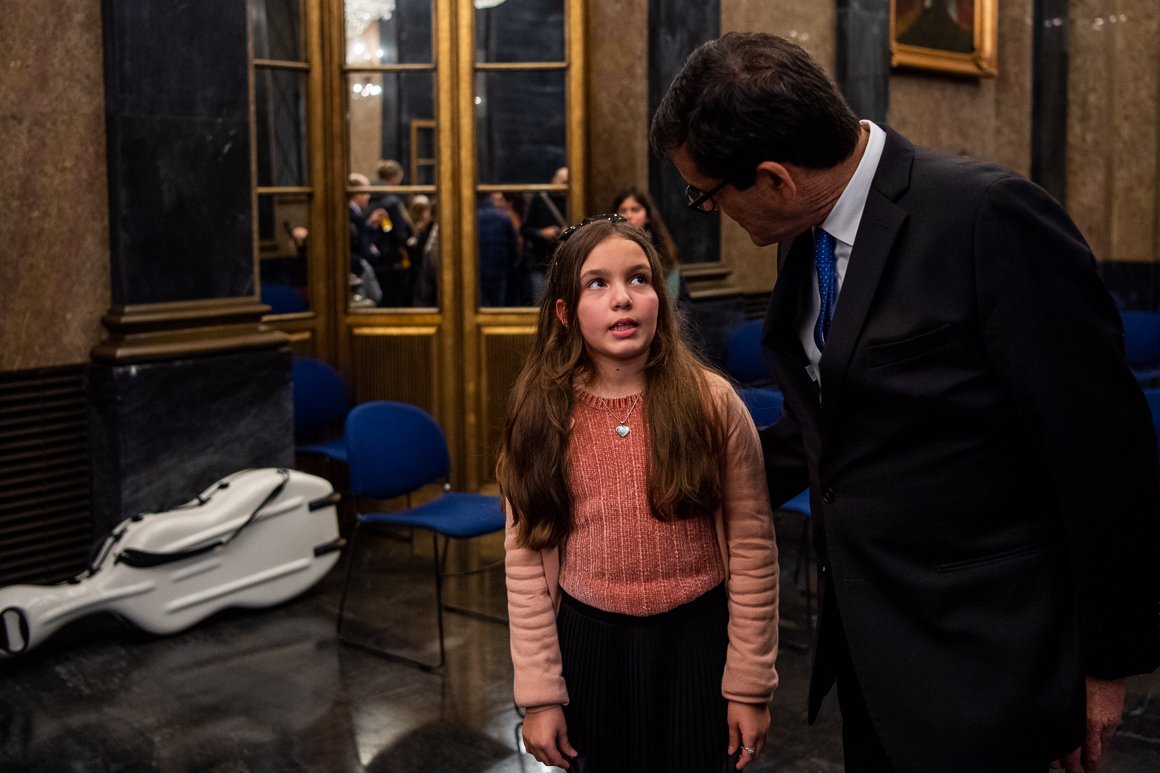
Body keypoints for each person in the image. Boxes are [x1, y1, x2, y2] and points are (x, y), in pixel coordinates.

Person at [650, 31, 1160, 773]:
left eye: (707, 195)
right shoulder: (803, 233)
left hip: (993, 659)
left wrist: (1107, 663)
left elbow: (1103, 454)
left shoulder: (989, 217)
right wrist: (676, 483)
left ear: (774, 178)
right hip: (874, 651)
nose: (710, 210)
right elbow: (832, 428)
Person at [498, 215, 779, 773]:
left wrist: (749, 684)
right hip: (589, 645)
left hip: (697, 640)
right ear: (565, 312)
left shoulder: (711, 402)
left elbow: (753, 548)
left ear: (661, 299)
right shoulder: (541, 417)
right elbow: (526, 562)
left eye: (639, 279)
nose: (622, 298)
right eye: (597, 283)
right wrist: (540, 695)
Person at [612, 186, 691, 309]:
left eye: (635, 210)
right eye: (623, 210)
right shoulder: (608, 249)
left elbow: (681, 305)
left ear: (648, 216)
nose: (628, 216)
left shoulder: (662, 251)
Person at [519, 166, 569, 304]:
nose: (563, 185)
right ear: (554, 180)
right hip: (540, 260)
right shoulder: (540, 199)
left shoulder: (572, 200)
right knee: (541, 302)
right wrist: (541, 233)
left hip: (564, 261)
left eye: (567, 182)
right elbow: (525, 229)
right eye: (561, 180)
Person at [477, 192, 518, 307]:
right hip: (499, 268)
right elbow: (513, 246)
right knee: (497, 304)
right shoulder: (503, 218)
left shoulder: (469, 218)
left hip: (476, 269)